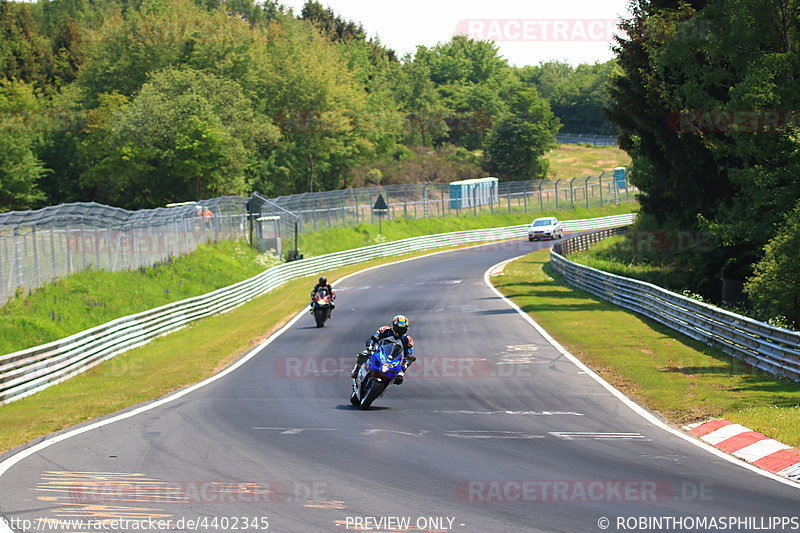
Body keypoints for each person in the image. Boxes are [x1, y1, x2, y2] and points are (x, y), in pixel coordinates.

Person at [350, 315, 415, 384]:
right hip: (379, 352)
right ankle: (356, 370)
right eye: (398, 328)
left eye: (403, 329)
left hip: (394, 359)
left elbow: (408, 355)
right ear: (393, 326)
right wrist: (370, 347)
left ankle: (390, 381)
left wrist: (405, 365)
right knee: (363, 354)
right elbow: (373, 338)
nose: (400, 331)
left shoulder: (408, 340)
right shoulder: (385, 330)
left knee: (400, 375)